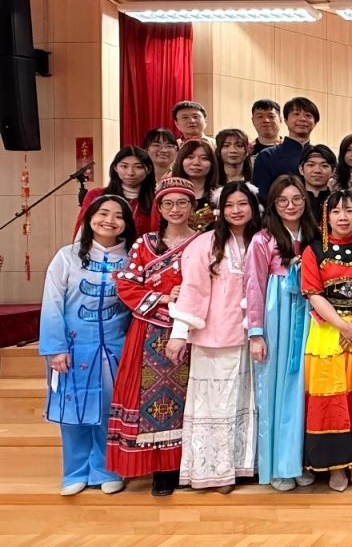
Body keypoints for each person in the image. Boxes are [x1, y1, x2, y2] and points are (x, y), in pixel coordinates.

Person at [107, 178, 199, 497]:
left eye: (182, 202)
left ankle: (181, 465)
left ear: (192, 206)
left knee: (186, 399)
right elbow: (126, 285)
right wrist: (162, 297)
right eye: (168, 203)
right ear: (159, 207)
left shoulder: (201, 242)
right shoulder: (144, 244)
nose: (175, 209)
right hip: (148, 329)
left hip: (189, 329)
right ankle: (158, 468)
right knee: (149, 398)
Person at [167, 182, 261, 492]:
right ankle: (214, 472)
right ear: (220, 210)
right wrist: (179, 333)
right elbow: (193, 290)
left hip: (255, 337)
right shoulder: (204, 243)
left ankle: (244, 466)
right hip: (214, 339)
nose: (236, 210)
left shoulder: (263, 240)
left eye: (243, 204)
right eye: (230, 205)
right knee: (215, 407)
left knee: (248, 402)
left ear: (254, 207)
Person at [40, 194, 136, 496]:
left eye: (118, 216)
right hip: (72, 348)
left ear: (126, 224)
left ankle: (107, 469)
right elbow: (52, 304)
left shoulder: (133, 259)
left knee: (109, 409)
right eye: (103, 213)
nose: (110, 220)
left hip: (115, 348)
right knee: (72, 410)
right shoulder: (67, 256)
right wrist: (55, 348)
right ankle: (74, 472)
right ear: (89, 217)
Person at [245, 175, 320, 493]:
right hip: (277, 317)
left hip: (312, 314)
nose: (290, 206)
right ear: (273, 204)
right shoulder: (263, 240)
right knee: (277, 391)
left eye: (296, 199)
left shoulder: (315, 235)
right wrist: (256, 333)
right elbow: (253, 285)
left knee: (305, 388)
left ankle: (300, 461)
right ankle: (278, 465)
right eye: (283, 200)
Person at [300, 190, 352, 491]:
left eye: (349, 211)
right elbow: (313, 294)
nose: (343, 217)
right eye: (336, 211)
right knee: (330, 400)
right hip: (327, 334)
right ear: (326, 217)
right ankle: (335, 467)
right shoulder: (313, 250)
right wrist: (343, 326)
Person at [75, 146, 156, 237]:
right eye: (124, 166)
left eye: (138, 167)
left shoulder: (158, 198)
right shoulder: (96, 195)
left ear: (149, 169)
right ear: (115, 167)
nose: (130, 173)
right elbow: (82, 233)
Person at [253, 97, 320, 196]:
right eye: (296, 114)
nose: (302, 119)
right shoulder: (267, 156)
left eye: (308, 115)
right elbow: (261, 196)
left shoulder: (321, 156)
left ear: (315, 122)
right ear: (285, 120)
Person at [171, 139, 220, 231]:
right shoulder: (168, 194)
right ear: (181, 161)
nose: (196, 162)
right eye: (190, 157)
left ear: (212, 164)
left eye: (204, 158)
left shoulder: (220, 195)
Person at [299, 144, 336, 217]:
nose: (317, 170)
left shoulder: (337, 202)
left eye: (324, 166)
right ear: (301, 170)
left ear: (333, 171)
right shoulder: (294, 202)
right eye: (311, 165)